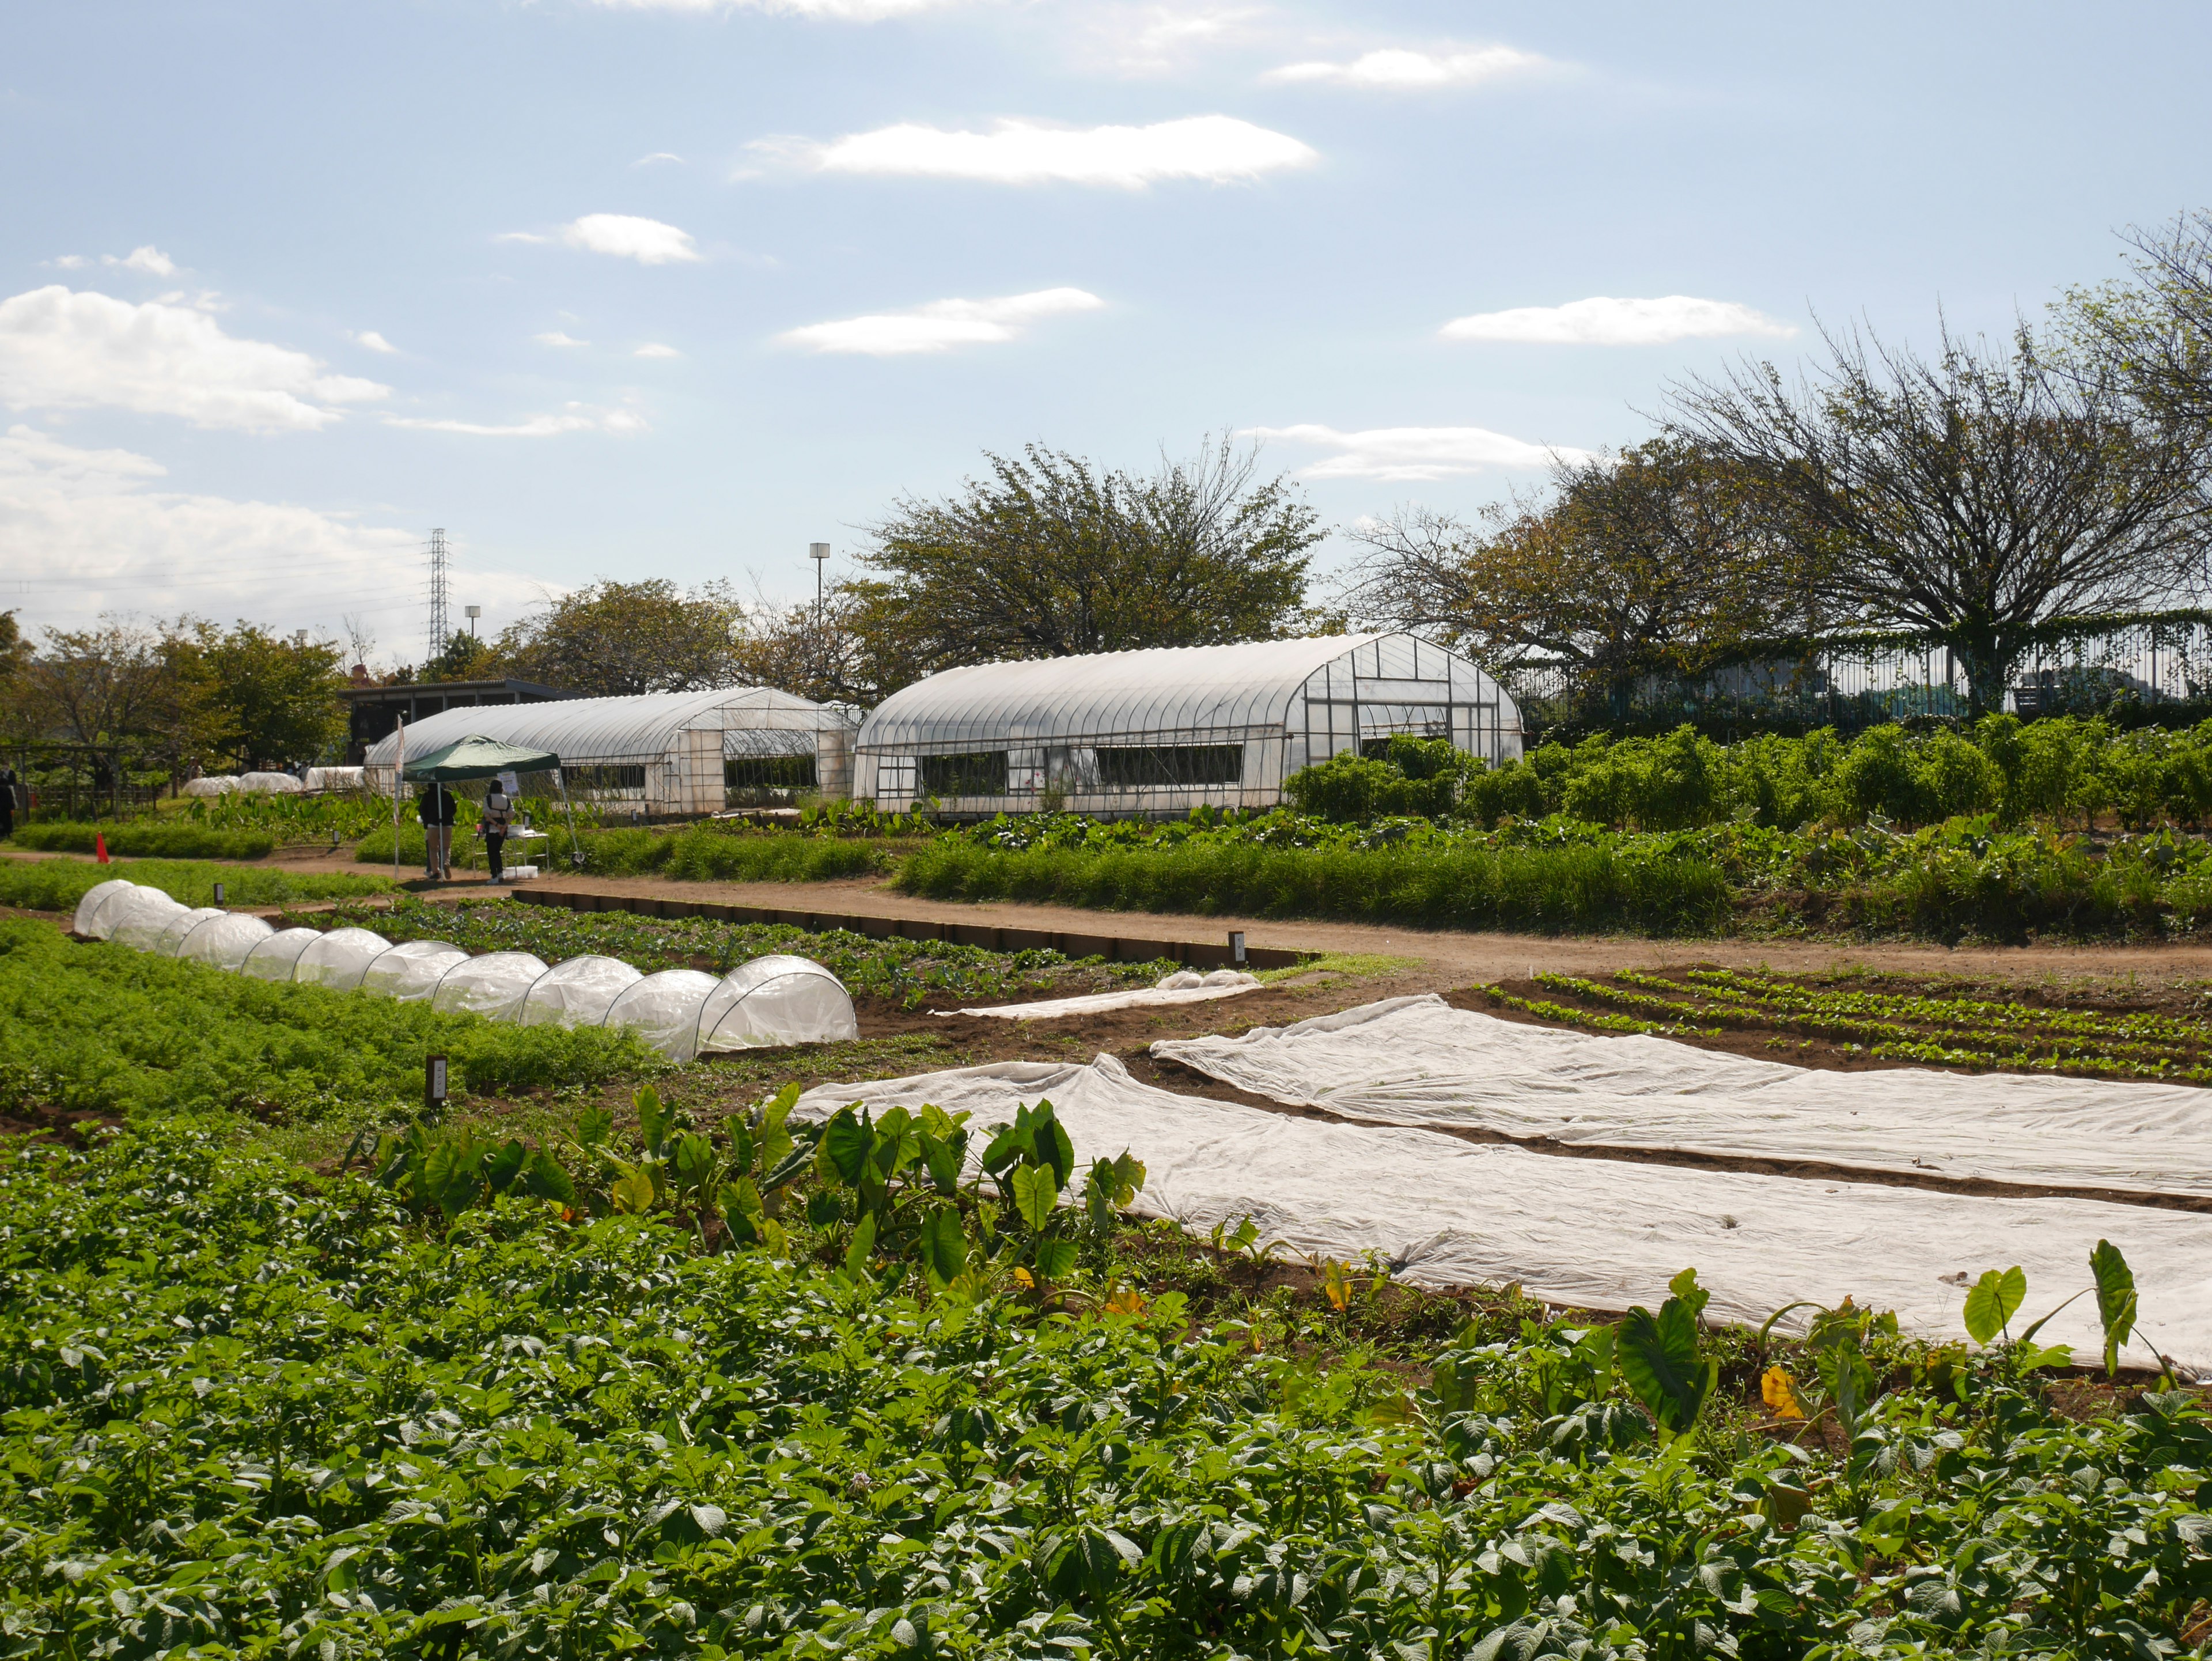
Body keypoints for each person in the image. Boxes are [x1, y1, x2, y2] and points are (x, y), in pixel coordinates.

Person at [418, 780, 457, 880]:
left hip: (432, 825)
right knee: (446, 847)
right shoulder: (447, 795)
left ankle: (436, 872)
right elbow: (454, 809)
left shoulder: (427, 796)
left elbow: (422, 810)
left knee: (433, 849)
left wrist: (426, 821)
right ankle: (446, 863)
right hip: (447, 824)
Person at [480, 777, 513, 884]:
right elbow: (512, 814)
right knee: (497, 851)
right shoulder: (507, 799)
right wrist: (504, 827)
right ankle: (500, 873)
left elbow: (487, 816)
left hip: (492, 828)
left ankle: (494, 875)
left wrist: (497, 826)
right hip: (503, 830)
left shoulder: (488, 799)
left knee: (491, 852)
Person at [0, 764, 16, 839]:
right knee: (8, 821)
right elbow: (11, 799)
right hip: (7, 808)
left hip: (1, 808)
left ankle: (2, 834)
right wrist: (12, 808)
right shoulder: (8, 789)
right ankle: (9, 833)